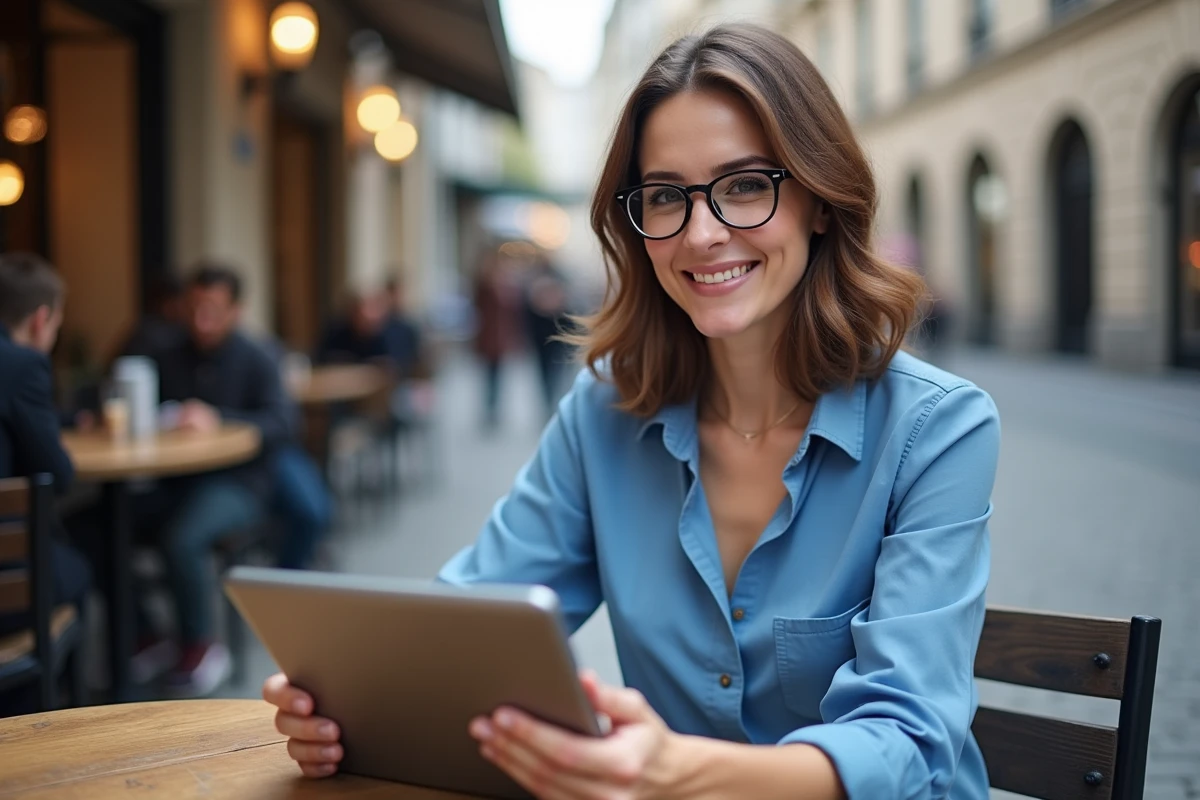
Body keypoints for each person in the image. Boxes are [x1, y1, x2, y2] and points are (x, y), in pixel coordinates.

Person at [263, 24, 1000, 799]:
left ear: (818, 199)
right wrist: (344, 696)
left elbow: (910, 740)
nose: (703, 232)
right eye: (665, 196)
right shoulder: (604, 413)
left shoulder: (938, 430)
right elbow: (468, 621)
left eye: (746, 184)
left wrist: (678, 772)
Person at [131, 263, 294, 696]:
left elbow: (282, 423)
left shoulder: (257, 356)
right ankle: (145, 633)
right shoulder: (165, 350)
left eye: (214, 310)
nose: (203, 321)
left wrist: (218, 419)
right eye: (195, 308)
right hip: (172, 480)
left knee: (183, 538)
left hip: (240, 484)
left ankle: (200, 644)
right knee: (91, 527)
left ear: (236, 311)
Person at [0, 252, 92, 714]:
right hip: (7, 589)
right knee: (78, 567)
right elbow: (58, 474)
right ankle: (32, 718)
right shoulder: (22, 365)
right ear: (41, 320)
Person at [521, 254, 574, 420]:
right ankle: (548, 402)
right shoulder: (533, 280)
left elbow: (567, 308)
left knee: (555, 372)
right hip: (541, 335)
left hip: (557, 334)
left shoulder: (559, 278)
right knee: (545, 373)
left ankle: (553, 401)